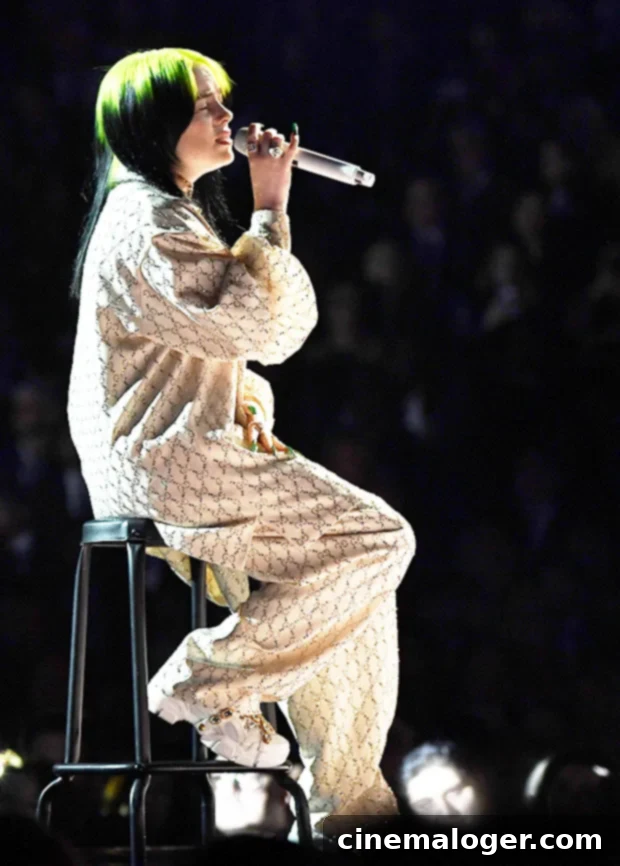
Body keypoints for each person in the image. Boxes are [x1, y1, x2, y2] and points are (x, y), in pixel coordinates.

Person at [66, 47, 416, 834]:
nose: (227, 117)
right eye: (205, 107)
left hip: (179, 444)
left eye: (222, 102)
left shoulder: (163, 213)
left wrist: (244, 395)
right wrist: (270, 205)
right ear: (153, 125)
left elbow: (213, 347)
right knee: (378, 539)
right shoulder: (149, 221)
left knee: (354, 583)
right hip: (168, 456)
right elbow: (259, 324)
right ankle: (208, 681)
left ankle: (350, 809)